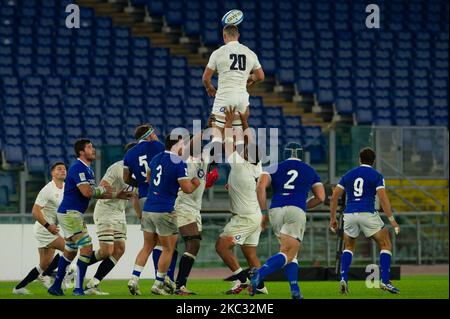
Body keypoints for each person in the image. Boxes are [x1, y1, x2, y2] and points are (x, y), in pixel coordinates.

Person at [48, 139, 131, 296]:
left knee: (71, 251)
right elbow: (87, 192)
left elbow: (97, 191)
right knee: (86, 248)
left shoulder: (89, 170)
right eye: (89, 147)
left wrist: (111, 193)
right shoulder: (78, 168)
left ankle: (56, 286)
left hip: (72, 213)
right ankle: (78, 288)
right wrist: (112, 193)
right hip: (70, 213)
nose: (93, 149)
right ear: (81, 152)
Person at [250, 142, 325, 299]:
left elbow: (260, 187)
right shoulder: (310, 170)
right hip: (296, 209)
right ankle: (259, 273)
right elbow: (321, 197)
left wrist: (263, 212)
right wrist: (302, 205)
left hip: (276, 210)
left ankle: (295, 290)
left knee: (290, 252)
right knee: (287, 252)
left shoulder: (273, 167)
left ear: (285, 154)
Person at [128, 134, 200, 295]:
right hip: (164, 209)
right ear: (176, 145)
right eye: (183, 144)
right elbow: (188, 189)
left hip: (148, 208)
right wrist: (196, 182)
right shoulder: (178, 162)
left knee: (147, 246)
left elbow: (148, 177)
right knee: (168, 248)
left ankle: (134, 279)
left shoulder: (156, 158)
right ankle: (158, 283)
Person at [329, 147, 400, 294]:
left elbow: (335, 195)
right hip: (367, 213)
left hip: (349, 214)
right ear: (373, 161)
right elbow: (383, 198)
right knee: (385, 244)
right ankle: (385, 281)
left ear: (359, 159)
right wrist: (392, 220)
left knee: (348, 247)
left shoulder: (349, 174)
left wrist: (333, 218)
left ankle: (344, 278)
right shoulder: (376, 175)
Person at [215, 106, 267, 295]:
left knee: (221, 246)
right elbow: (250, 141)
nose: (243, 148)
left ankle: (242, 279)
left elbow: (225, 142)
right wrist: (244, 121)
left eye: (244, 150)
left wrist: (229, 121)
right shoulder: (257, 167)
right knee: (250, 253)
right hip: (254, 216)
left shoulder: (239, 164)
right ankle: (260, 286)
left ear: (246, 155)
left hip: (244, 218)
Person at [84, 142, 140, 295]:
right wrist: (117, 194)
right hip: (106, 209)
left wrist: (141, 216)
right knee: (106, 251)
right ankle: (74, 267)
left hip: (119, 212)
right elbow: (100, 189)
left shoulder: (139, 172)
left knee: (119, 249)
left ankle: (93, 284)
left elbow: (135, 197)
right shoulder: (117, 168)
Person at [13, 162, 73, 294]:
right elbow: (35, 211)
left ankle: (18, 288)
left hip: (52, 228)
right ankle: (65, 276)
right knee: (69, 248)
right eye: (59, 169)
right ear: (52, 173)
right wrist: (48, 226)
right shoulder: (48, 189)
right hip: (44, 229)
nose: (63, 170)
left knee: (44, 264)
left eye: (64, 169)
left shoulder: (66, 188)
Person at [173, 132, 219, 295]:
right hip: (183, 205)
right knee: (192, 242)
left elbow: (216, 147)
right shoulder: (183, 159)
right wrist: (206, 129)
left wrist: (219, 129)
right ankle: (177, 285)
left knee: (191, 245)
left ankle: (176, 284)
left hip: (195, 207)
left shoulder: (204, 157)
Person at [202, 24, 264, 134]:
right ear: (238, 36)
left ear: (224, 36)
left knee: (215, 135)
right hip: (242, 100)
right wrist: (251, 77)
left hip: (225, 97)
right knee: (238, 136)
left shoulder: (218, 53)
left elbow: (206, 78)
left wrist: (209, 87)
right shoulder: (250, 53)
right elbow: (260, 76)